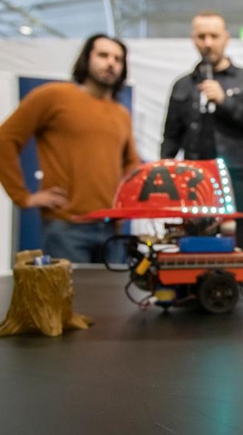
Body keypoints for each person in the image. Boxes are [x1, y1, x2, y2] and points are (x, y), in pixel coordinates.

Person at [0, 34, 141, 263]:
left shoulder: (121, 113)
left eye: (118, 58)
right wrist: (23, 197)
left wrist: (125, 206)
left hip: (112, 231)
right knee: (70, 298)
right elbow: (5, 139)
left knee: (112, 298)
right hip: (67, 228)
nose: (111, 63)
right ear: (87, 58)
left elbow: (131, 163)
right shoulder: (53, 96)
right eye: (103, 55)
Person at [161, 10, 243, 250]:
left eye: (213, 36)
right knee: (194, 241)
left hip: (236, 175)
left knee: (236, 242)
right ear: (193, 39)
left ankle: (233, 286)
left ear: (226, 38)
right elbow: (170, 137)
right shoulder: (182, 85)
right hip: (194, 178)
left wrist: (225, 102)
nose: (208, 43)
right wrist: (163, 177)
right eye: (202, 36)